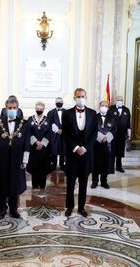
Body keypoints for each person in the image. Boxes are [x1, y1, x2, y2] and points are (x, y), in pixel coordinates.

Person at [0, 96, 30, 219]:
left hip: (17, 159)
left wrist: (25, 160)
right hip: (2, 159)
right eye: (9, 108)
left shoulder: (24, 123)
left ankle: (14, 209)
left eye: (14, 108)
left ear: (17, 108)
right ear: (6, 109)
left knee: (15, 184)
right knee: (2, 184)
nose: (12, 110)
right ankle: (2, 209)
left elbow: (27, 143)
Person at [62, 88, 97, 217]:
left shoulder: (93, 113)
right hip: (73, 154)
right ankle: (69, 207)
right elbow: (65, 133)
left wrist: (85, 148)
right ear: (74, 97)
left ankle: (81, 207)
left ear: (85, 97)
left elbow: (94, 133)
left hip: (87, 154)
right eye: (78, 96)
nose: (80, 98)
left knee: (83, 183)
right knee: (70, 182)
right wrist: (76, 147)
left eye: (82, 96)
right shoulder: (67, 113)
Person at [91, 101, 117, 189]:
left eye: (106, 106)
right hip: (96, 144)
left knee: (106, 163)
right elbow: (91, 129)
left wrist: (107, 137)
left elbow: (114, 130)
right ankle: (94, 181)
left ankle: (104, 181)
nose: (104, 107)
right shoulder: (94, 117)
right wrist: (100, 137)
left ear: (108, 108)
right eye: (102, 105)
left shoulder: (112, 118)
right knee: (95, 163)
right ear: (99, 106)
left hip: (107, 144)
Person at [26, 101, 52, 189]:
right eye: (37, 109)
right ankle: (35, 184)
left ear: (43, 109)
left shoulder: (48, 119)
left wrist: (42, 143)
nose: (39, 110)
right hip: (33, 147)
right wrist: (36, 142)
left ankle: (42, 184)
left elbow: (49, 133)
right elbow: (28, 132)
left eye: (41, 109)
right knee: (34, 166)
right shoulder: (30, 119)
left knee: (43, 166)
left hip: (44, 148)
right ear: (35, 109)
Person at [108, 96, 131, 173]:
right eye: (118, 100)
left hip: (122, 134)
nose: (119, 101)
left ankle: (119, 166)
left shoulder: (126, 110)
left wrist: (129, 133)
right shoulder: (111, 108)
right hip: (112, 133)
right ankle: (111, 167)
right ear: (115, 100)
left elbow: (128, 123)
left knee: (120, 151)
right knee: (112, 150)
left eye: (121, 100)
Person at [47, 97, 66, 170]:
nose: (59, 103)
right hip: (54, 134)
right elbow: (50, 123)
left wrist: (63, 129)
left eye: (60, 102)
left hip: (64, 134)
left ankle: (62, 164)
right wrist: (57, 130)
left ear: (62, 102)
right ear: (55, 103)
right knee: (54, 148)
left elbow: (69, 122)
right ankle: (53, 164)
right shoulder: (51, 112)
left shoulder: (66, 112)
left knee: (63, 148)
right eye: (57, 102)